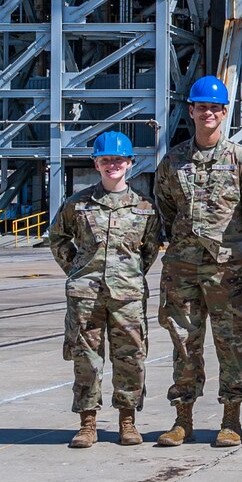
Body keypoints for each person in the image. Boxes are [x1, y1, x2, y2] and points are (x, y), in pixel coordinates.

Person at [154, 75, 242, 448]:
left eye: (215, 108)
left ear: (224, 113)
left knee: (231, 343)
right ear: (191, 111)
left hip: (226, 271)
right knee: (185, 343)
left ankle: (231, 419)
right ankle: (182, 419)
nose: (208, 113)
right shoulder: (173, 161)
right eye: (201, 107)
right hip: (182, 268)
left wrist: (237, 250)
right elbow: (166, 210)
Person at [48, 131, 163, 448]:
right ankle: (88, 424)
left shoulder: (144, 208)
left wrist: (130, 275)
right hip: (86, 297)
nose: (112, 164)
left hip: (127, 298)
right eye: (105, 159)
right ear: (96, 164)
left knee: (131, 359)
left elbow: (150, 249)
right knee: (86, 360)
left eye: (118, 159)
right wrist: (77, 270)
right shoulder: (78, 205)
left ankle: (127, 421)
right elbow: (57, 238)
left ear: (129, 163)